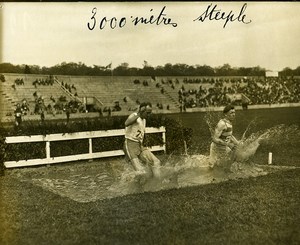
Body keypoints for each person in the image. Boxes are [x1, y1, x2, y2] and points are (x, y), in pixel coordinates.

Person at [123, 102, 161, 178]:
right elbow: (126, 123)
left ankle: (158, 184)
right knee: (140, 172)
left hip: (140, 145)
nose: (149, 115)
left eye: (150, 113)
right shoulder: (134, 115)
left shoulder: (144, 120)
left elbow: (142, 132)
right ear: (142, 110)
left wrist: (145, 141)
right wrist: (139, 113)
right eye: (147, 112)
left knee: (156, 162)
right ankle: (129, 181)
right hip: (130, 145)